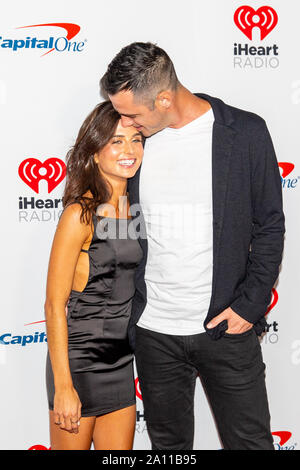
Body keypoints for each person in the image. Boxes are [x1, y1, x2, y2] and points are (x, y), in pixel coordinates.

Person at [100, 42, 285, 450]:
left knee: (250, 443)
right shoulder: (135, 146)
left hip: (225, 328)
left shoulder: (245, 132)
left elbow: (270, 225)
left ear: (163, 99)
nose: (124, 123)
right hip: (154, 332)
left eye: (131, 113)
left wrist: (250, 306)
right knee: (168, 448)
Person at [44, 100, 144, 450]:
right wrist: (63, 387)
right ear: (95, 151)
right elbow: (55, 306)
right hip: (79, 365)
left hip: (121, 363)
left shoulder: (139, 211)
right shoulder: (79, 214)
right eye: (117, 141)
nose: (129, 150)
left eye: (136, 140)